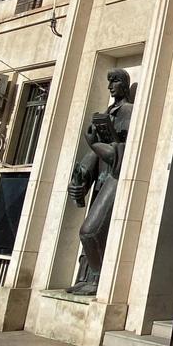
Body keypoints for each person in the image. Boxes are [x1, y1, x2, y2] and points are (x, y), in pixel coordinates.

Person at [65, 68, 134, 296]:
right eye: (109, 82)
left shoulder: (130, 111)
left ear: (124, 84)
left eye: (115, 81)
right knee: (93, 232)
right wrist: (82, 177)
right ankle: (87, 277)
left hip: (115, 178)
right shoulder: (106, 113)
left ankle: (98, 279)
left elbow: (121, 153)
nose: (110, 86)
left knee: (90, 231)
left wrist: (94, 143)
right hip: (101, 181)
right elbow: (94, 154)